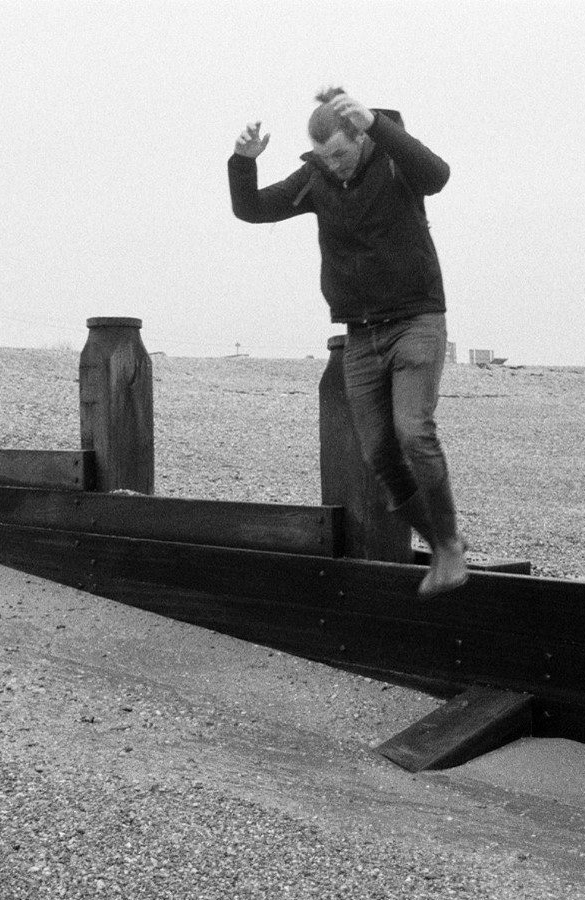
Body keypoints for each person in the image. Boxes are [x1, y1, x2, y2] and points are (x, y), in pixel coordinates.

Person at [228, 87, 467, 597]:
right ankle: (443, 545)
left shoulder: (396, 162)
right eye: (323, 156)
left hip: (416, 321)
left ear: (360, 137)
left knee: (413, 433)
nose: (333, 164)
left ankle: (447, 547)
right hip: (360, 334)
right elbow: (251, 210)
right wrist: (242, 162)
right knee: (380, 451)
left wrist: (379, 123)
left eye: (340, 152)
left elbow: (438, 176)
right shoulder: (315, 178)